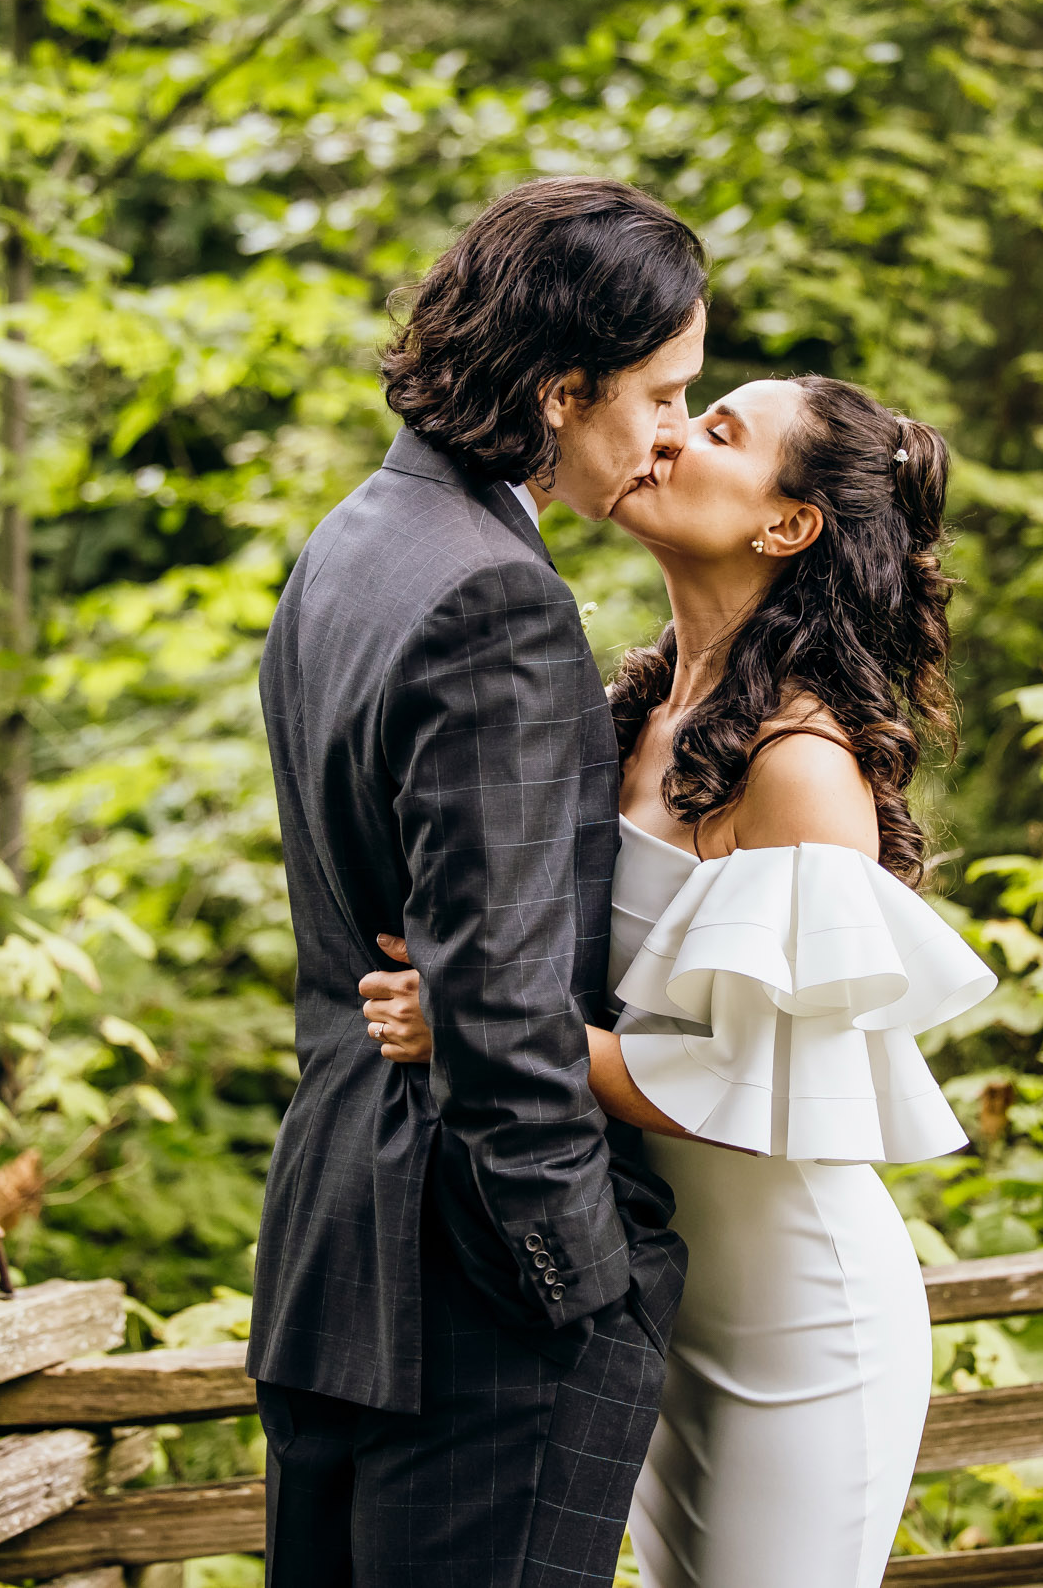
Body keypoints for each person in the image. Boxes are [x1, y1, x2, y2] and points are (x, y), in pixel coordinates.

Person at [361, 375, 997, 1588]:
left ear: (787, 524)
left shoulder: (799, 761)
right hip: (660, 1295)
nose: (667, 432)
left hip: (800, 1325)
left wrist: (482, 1030)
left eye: (718, 431)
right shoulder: (636, 715)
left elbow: (748, 1086)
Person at [250, 176, 703, 1588]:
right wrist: (591, 1291)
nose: (675, 435)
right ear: (565, 389)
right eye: (664, 392)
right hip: (472, 1297)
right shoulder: (497, 600)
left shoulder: (355, 540)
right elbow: (500, 1011)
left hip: (335, 1241)